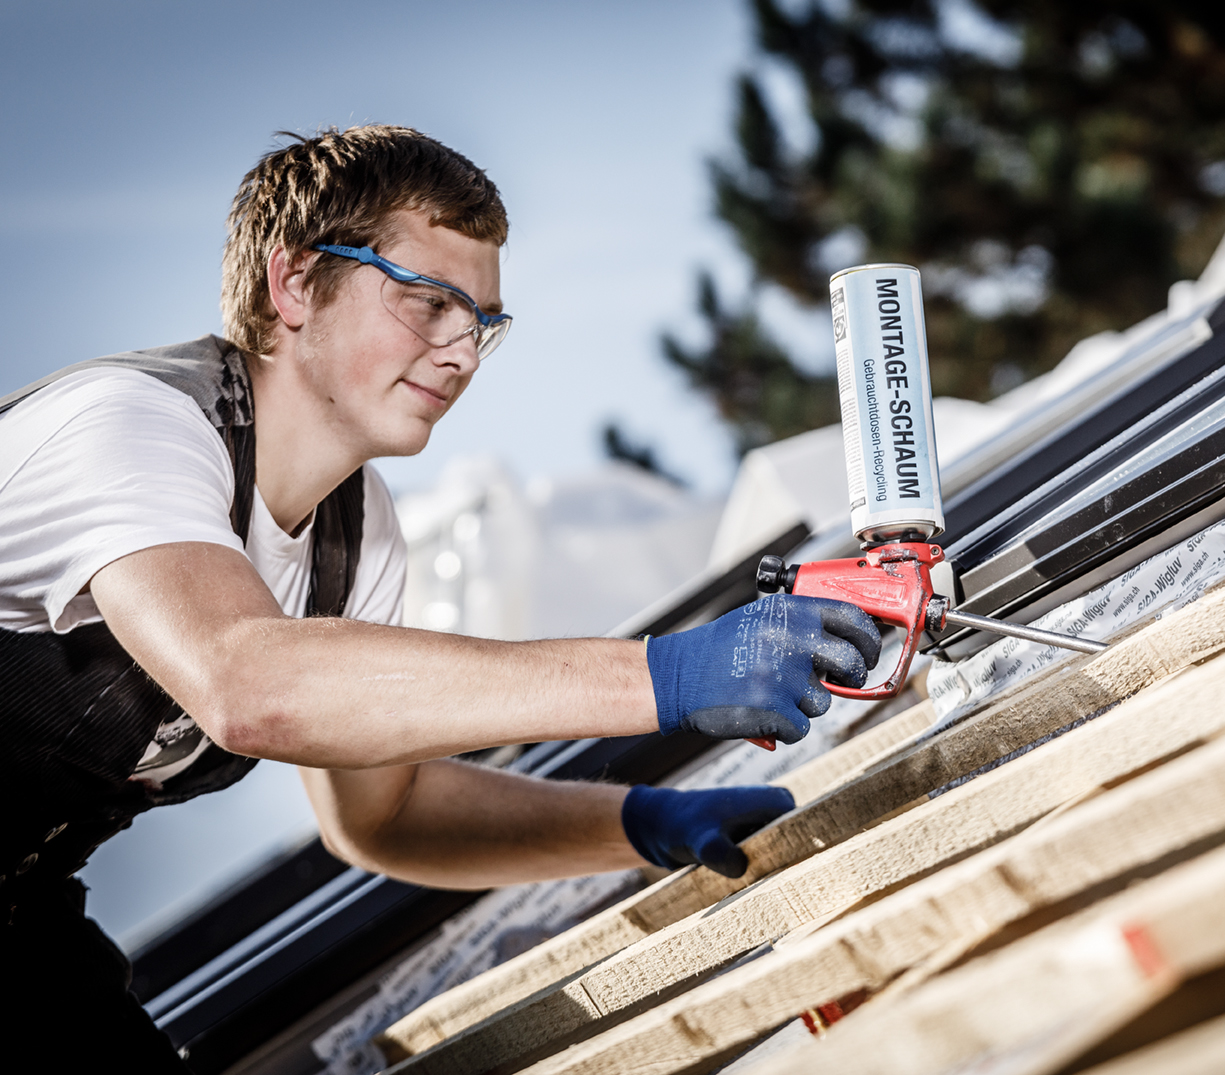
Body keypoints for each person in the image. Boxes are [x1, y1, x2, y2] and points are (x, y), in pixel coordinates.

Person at [0, 125, 879, 1068]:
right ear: (292, 282)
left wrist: (641, 822)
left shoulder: (356, 532)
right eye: (427, 303)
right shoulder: (132, 424)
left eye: (481, 323)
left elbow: (386, 812)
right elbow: (248, 682)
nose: (460, 354)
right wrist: (667, 672)